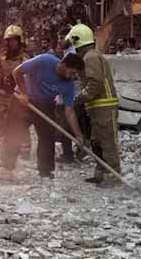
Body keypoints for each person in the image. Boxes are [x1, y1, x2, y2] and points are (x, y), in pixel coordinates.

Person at [12, 52, 87, 179]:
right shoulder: (44, 61)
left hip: (45, 105)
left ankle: (45, 171)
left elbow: (69, 111)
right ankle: (6, 166)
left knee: (47, 137)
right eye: (72, 72)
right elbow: (16, 72)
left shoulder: (68, 84)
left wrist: (78, 135)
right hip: (25, 100)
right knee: (14, 131)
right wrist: (24, 94)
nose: (73, 77)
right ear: (64, 65)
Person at [66, 24, 121, 187]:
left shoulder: (90, 57)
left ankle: (112, 176)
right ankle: (100, 173)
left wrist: (80, 98)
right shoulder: (91, 56)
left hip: (104, 107)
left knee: (107, 143)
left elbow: (95, 83)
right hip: (97, 107)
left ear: (78, 42)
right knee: (97, 142)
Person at [0, 25, 31, 179]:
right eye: (9, 40)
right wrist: (0, 78)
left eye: (14, 40)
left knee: (19, 122)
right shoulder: (0, 57)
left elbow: (30, 76)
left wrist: (19, 84)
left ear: (20, 41)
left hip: (18, 94)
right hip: (1, 91)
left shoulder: (26, 59)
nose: (11, 43)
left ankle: (24, 152)